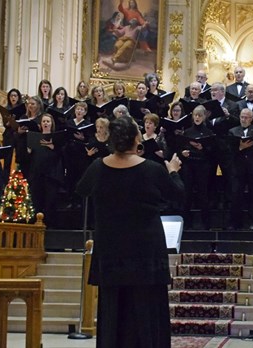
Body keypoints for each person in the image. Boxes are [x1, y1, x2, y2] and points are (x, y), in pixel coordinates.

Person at [76, 116, 183, 348]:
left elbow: (81, 189)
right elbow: (177, 194)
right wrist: (173, 171)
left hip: (111, 249)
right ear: (137, 139)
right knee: (147, 308)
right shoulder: (152, 170)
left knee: (113, 309)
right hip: (145, 249)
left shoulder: (97, 167)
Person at [228, 108, 253, 230]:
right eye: (242, 117)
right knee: (236, 195)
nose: (244, 119)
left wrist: (243, 147)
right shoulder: (232, 131)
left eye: (246, 117)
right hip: (238, 168)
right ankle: (235, 223)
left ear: (251, 119)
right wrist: (240, 147)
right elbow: (230, 150)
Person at [180, 105, 215, 230]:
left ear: (204, 117)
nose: (197, 117)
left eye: (200, 115)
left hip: (202, 165)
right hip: (189, 165)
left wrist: (203, 148)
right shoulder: (187, 132)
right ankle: (186, 224)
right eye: (195, 115)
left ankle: (206, 224)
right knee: (187, 194)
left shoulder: (208, 132)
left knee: (203, 194)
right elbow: (181, 148)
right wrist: (182, 153)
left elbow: (213, 152)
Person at [27, 114, 63, 228]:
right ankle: (36, 224)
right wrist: (28, 151)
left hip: (51, 175)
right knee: (37, 199)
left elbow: (63, 156)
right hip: (37, 173)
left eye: (48, 121)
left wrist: (53, 147)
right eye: (44, 121)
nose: (46, 123)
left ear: (51, 124)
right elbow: (28, 158)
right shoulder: (35, 137)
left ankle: (49, 226)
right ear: (40, 124)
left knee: (50, 201)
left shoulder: (57, 139)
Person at [64, 102, 92, 209]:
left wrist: (82, 138)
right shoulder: (69, 122)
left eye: (82, 110)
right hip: (70, 153)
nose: (79, 111)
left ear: (85, 112)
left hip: (81, 155)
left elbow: (89, 140)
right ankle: (70, 199)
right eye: (78, 109)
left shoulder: (88, 124)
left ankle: (79, 200)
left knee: (80, 177)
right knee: (70, 177)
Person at [2, 88, 23, 183]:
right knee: (7, 160)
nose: (13, 97)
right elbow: (5, 124)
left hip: (19, 135)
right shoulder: (6, 109)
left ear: (18, 97)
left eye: (15, 96)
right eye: (11, 96)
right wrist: (9, 122)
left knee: (19, 158)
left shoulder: (22, 109)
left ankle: (20, 182)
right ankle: (5, 183)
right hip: (9, 134)